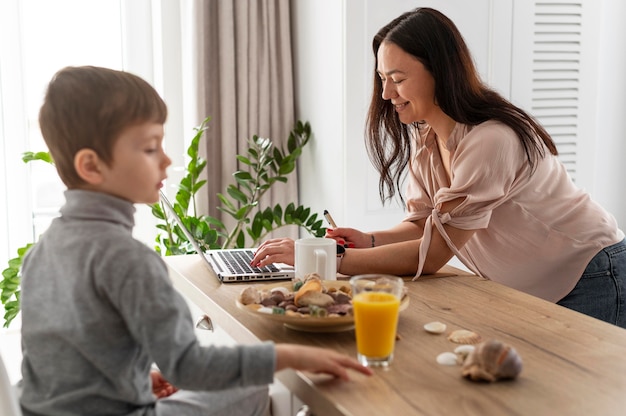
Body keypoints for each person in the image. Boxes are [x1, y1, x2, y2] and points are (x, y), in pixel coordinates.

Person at [19, 66, 372, 416]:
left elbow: (64, 359)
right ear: (91, 166)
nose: (168, 160)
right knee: (251, 389)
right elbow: (189, 366)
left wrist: (136, 378)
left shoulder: (40, 252)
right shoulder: (129, 259)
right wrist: (291, 356)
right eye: (150, 148)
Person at [251, 7, 626, 329]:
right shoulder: (427, 140)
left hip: (591, 272)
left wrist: (328, 257)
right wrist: (367, 240)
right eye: (383, 79)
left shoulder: (489, 141)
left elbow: (431, 256)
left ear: (441, 72)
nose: (385, 94)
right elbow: (422, 225)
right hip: (541, 283)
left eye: (397, 79)